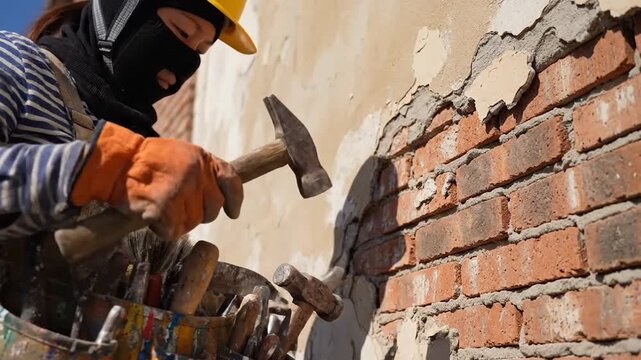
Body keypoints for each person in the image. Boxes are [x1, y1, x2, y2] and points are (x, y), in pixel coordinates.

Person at [0, 0, 256, 241]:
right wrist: (105, 169)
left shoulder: (153, 167)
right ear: (125, 10)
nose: (185, 61)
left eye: (200, 50)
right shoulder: (16, 61)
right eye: (183, 32)